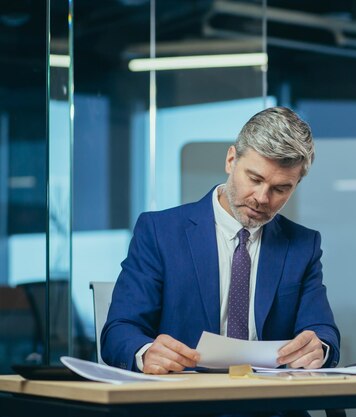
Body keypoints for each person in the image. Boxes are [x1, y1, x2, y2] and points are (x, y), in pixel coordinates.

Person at [101, 106, 340, 374]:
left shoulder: (302, 245)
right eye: (254, 178)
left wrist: (319, 348)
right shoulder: (160, 232)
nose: (262, 198)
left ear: (295, 185)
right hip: (185, 400)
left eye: (280, 188)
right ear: (230, 160)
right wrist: (144, 352)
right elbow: (119, 330)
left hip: (271, 405)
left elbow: (322, 331)